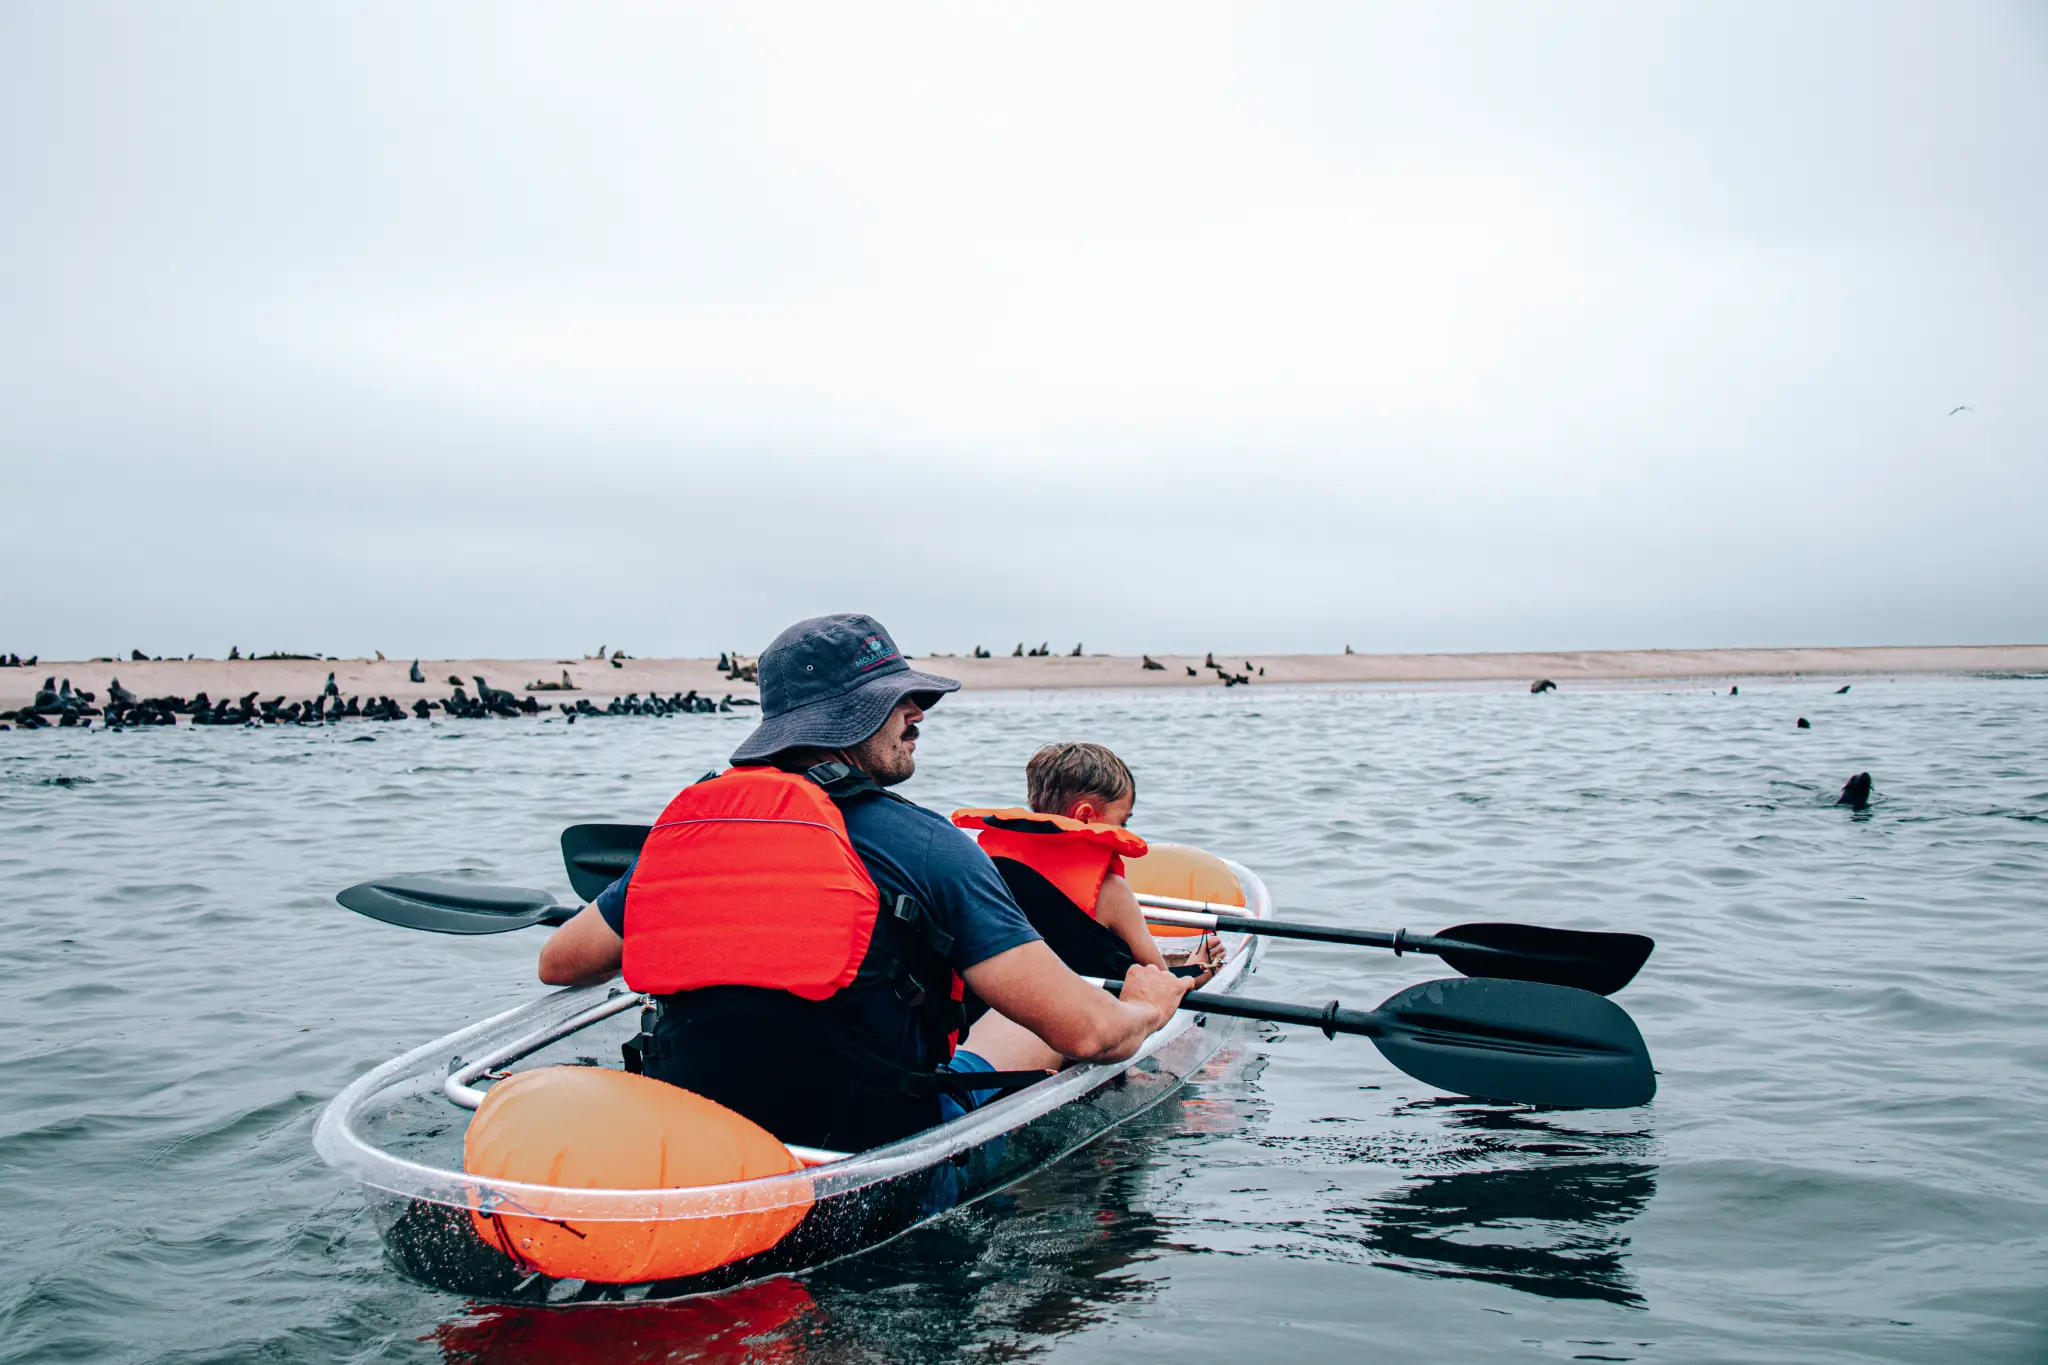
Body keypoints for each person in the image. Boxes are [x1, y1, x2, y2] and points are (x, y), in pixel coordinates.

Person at [535, 613, 1195, 1153]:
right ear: (847, 717)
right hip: (877, 1156)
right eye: (898, 699)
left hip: (703, 1139)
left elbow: (560, 962)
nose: (918, 712)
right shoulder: (932, 847)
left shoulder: (686, 835)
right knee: (1067, 1004)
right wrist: (1147, 1004)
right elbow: (1088, 1033)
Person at [953, 741, 1222, 981]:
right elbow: (1160, 984)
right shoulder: (1111, 891)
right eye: (1123, 821)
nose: (1125, 831)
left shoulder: (987, 870)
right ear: (1084, 816)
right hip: (1088, 1017)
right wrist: (1198, 970)